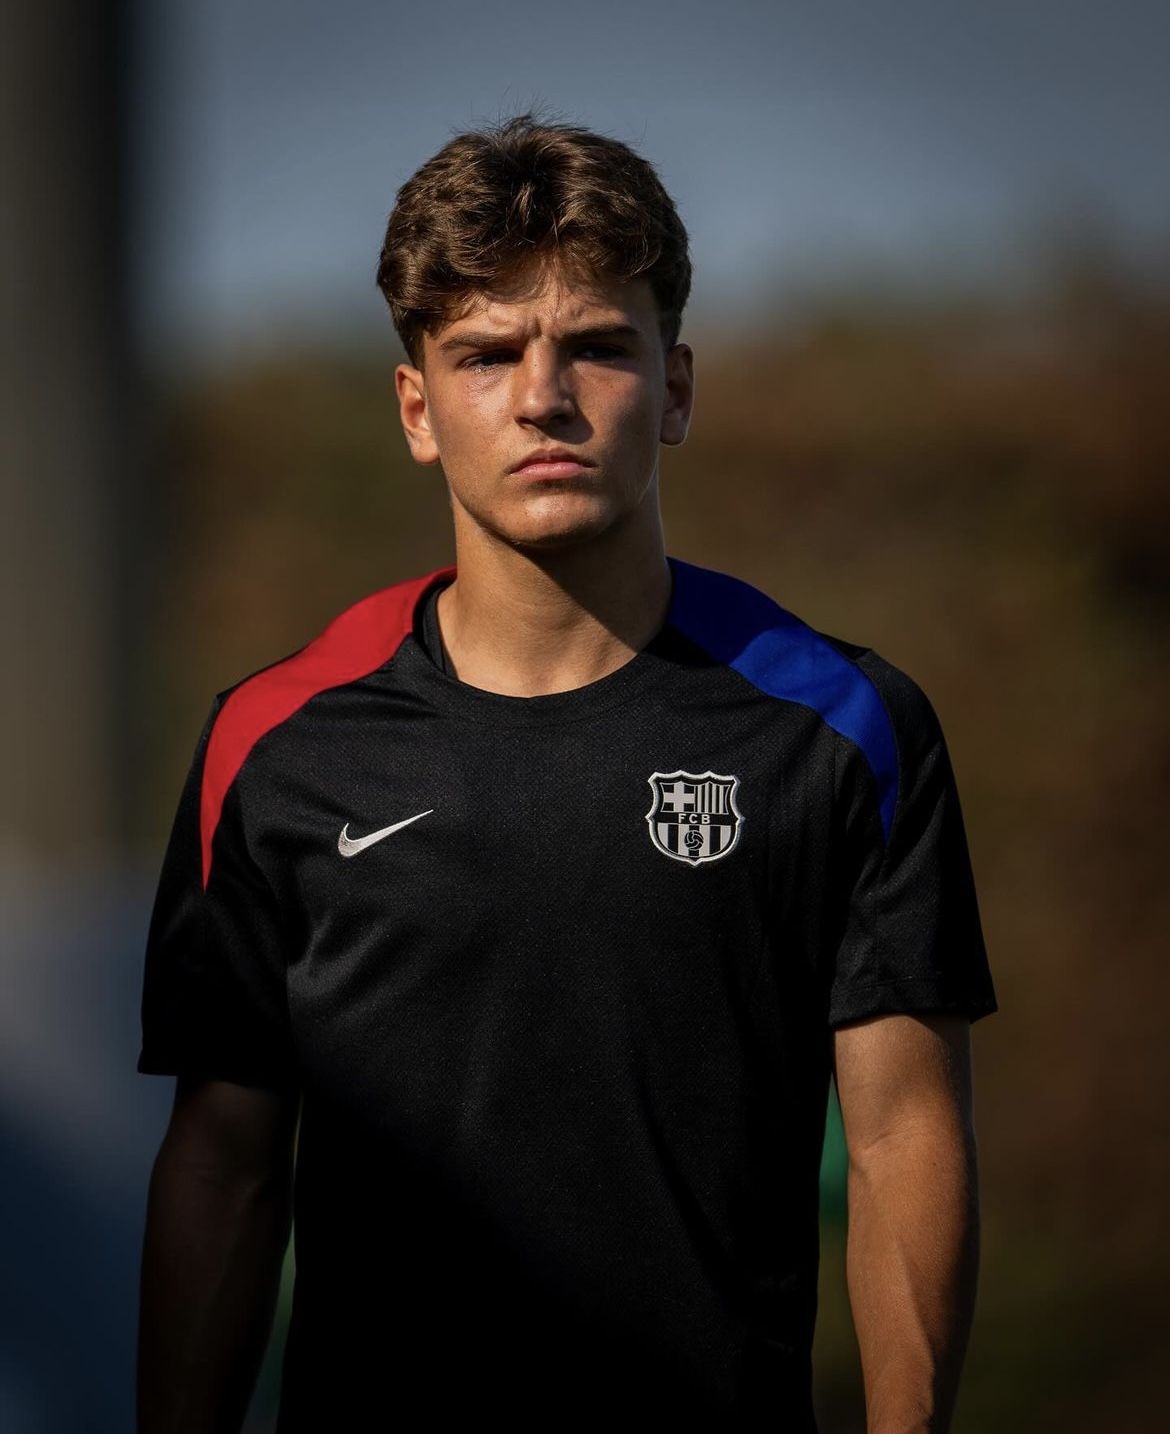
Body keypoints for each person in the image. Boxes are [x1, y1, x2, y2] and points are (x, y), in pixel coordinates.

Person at [136, 113, 997, 1432]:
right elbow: (225, 1162)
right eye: (485, 355)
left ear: (677, 385)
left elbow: (897, 1143)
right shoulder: (274, 742)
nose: (543, 396)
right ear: (418, 409)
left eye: (595, 345)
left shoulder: (843, 727)